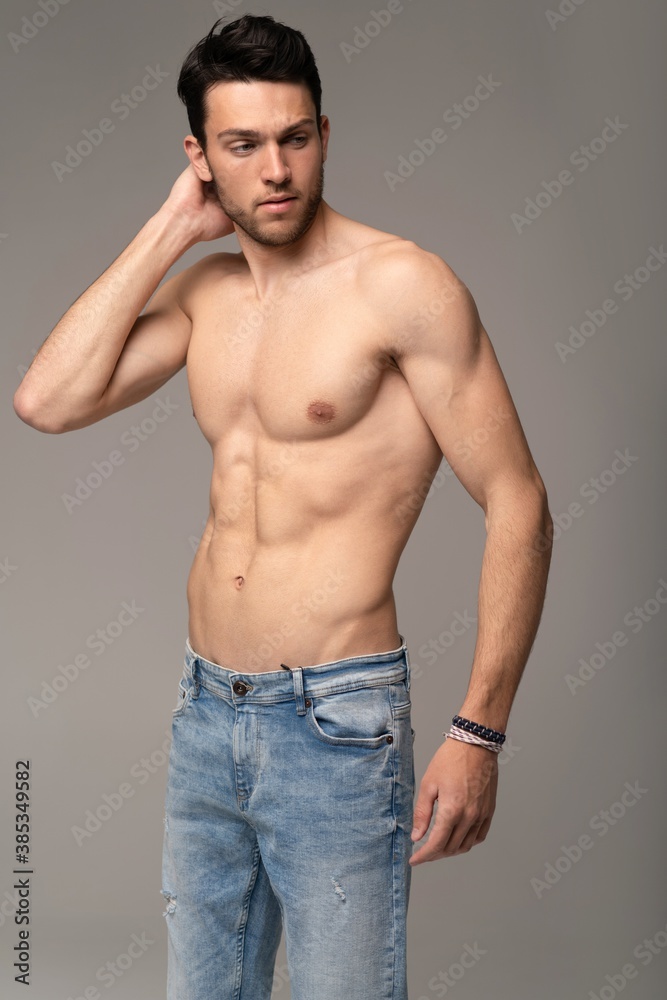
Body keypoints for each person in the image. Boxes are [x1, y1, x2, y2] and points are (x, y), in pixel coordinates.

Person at [13, 13, 553, 1000]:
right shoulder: (209, 291)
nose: (274, 169)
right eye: (242, 145)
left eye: (293, 137)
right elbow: (46, 401)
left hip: (338, 720)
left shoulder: (401, 285)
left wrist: (479, 732)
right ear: (199, 157)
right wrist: (173, 226)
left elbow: (518, 500)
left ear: (324, 136)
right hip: (206, 712)